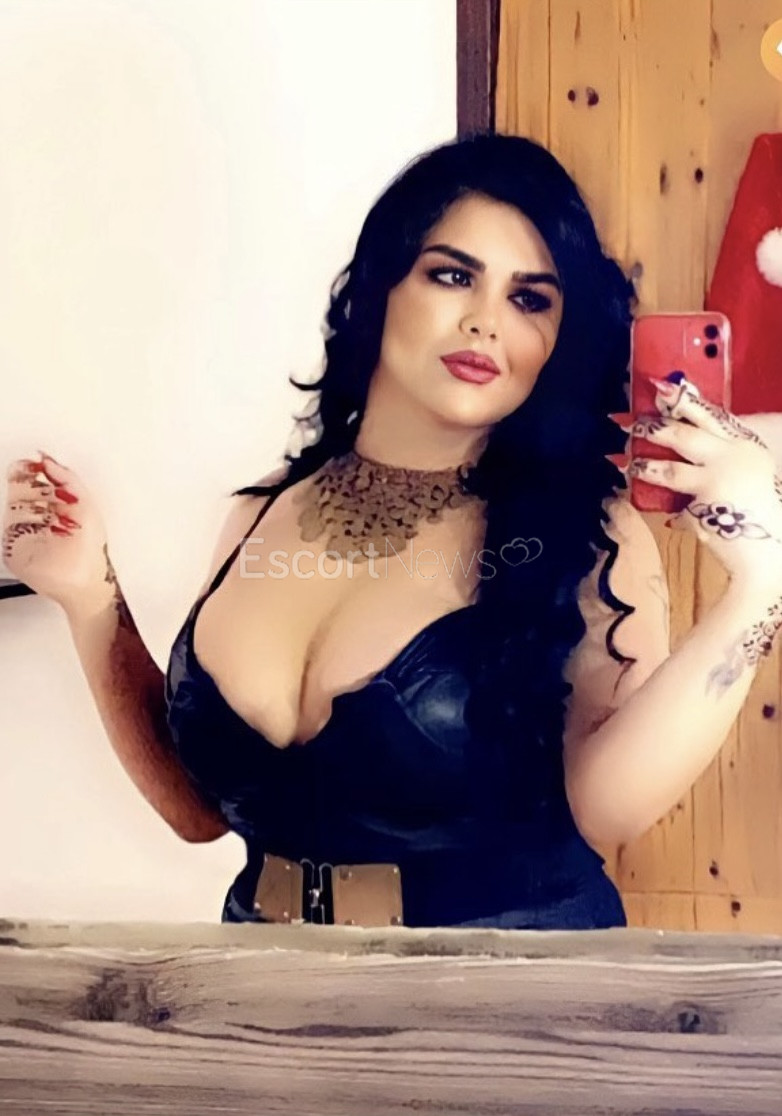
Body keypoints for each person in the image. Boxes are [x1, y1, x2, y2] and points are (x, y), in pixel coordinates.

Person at [5, 132, 782, 930]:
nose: (485, 322)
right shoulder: (262, 512)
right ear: (382, 287)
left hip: (501, 990)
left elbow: (608, 810)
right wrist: (90, 597)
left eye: (529, 300)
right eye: (453, 276)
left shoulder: (588, 533)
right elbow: (200, 813)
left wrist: (759, 588)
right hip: (260, 982)